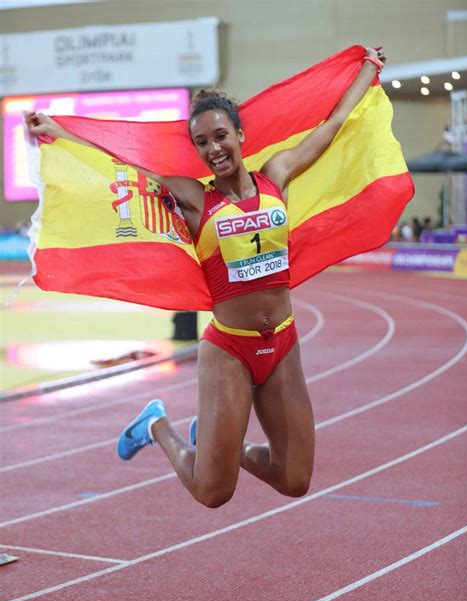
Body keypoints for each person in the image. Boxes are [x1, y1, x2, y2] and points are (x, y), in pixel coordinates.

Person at [26, 47, 385, 509]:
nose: (213, 149)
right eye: (202, 143)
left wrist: (368, 69)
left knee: (295, 479)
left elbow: (333, 124)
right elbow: (122, 165)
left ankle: (223, 446)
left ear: (239, 134)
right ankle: (156, 425)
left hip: (282, 343)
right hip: (230, 350)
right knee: (212, 491)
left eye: (220, 136)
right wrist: (61, 131)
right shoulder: (195, 199)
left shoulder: (277, 175)